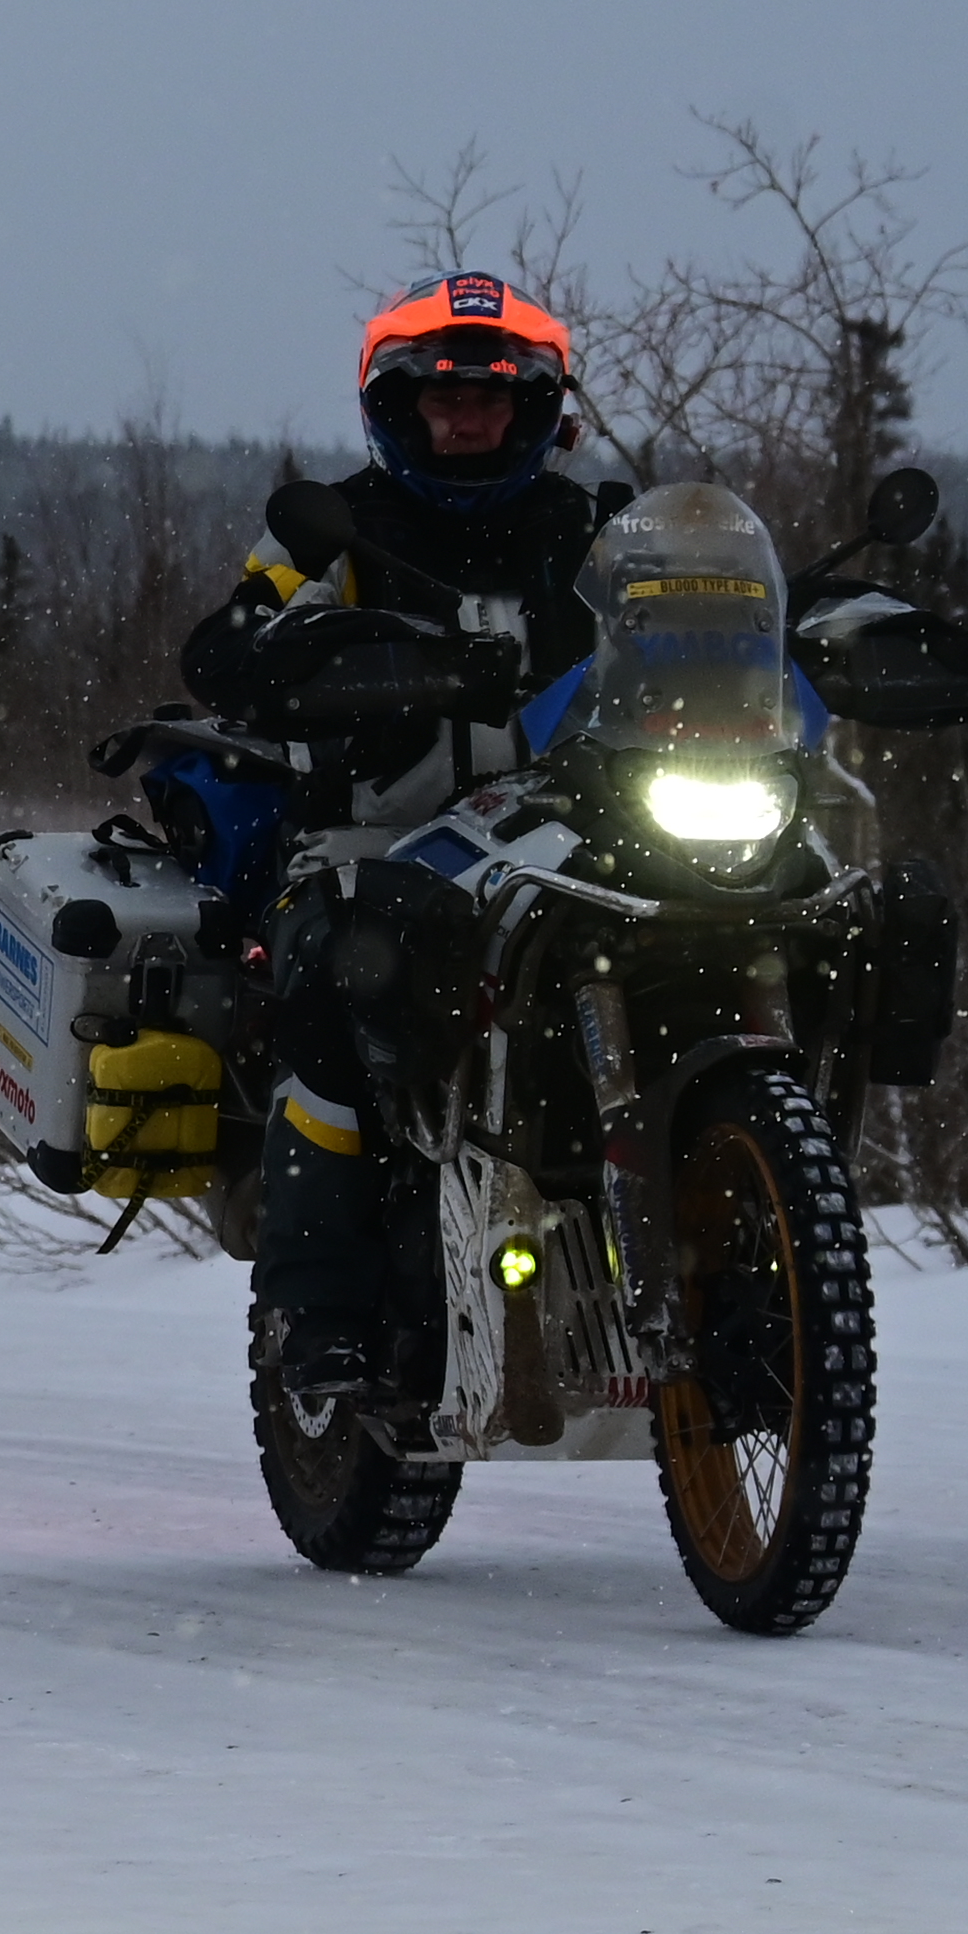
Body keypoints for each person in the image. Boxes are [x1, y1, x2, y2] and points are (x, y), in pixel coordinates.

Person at [188, 274, 625, 1397]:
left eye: (489, 396)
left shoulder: (591, 528)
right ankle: (316, 1312)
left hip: (560, 849)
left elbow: (681, 619)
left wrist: (782, 638)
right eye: (443, 398)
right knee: (338, 981)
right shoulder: (336, 529)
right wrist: (305, 650)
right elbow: (226, 643)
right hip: (368, 845)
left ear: (533, 409)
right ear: (402, 408)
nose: (466, 416)